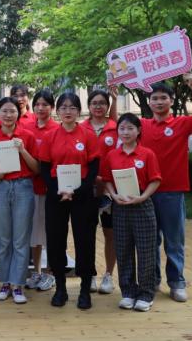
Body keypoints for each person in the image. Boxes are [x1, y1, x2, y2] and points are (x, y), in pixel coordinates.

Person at [139, 73, 192, 302]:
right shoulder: (142, 125)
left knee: (174, 241)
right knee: (150, 241)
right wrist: (112, 96)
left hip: (172, 192)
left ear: (171, 101)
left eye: (163, 98)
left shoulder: (181, 123)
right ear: (149, 102)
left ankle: (177, 282)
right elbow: (116, 126)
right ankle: (152, 281)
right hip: (146, 193)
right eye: (154, 98)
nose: (159, 102)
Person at [39, 92, 100, 310]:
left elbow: (93, 167)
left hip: (82, 195)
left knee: (85, 241)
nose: (67, 111)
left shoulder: (88, 135)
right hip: (57, 194)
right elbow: (44, 167)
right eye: (63, 107)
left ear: (79, 111)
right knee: (56, 241)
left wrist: (78, 190)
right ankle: (61, 288)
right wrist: (58, 190)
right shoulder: (50, 136)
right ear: (57, 111)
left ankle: (84, 289)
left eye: (72, 107)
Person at [101, 113, 161, 312]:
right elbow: (107, 179)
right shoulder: (112, 155)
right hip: (120, 207)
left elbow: (155, 180)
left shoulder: (147, 154)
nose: (125, 132)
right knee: (123, 250)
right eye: (122, 128)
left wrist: (143, 197)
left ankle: (146, 294)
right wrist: (113, 195)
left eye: (130, 128)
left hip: (142, 206)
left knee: (146, 251)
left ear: (138, 130)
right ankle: (128, 292)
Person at [0, 97, 39, 304]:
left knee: (20, 240)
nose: (8, 115)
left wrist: (22, 150)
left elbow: (37, 168)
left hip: (23, 187)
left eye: (12, 111)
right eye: (4, 111)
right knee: (3, 239)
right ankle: (5, 282)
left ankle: (18, 284)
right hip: (0, 188)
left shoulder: (27, 136)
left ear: (18, 113)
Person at [79, 88, 119, 294]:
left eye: (102, 103)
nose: (98, 106)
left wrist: (115, 98)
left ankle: (109, 275)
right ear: (88, 106)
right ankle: (90, 274)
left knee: (110, 233)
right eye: (94, 103)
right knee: (87, 234)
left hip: (110, 190)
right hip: (87, 189)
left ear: (107, 106)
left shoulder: (116, 128)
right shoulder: (80, 128)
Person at [20, 89, 59, 293]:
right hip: (30, 187)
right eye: (37, 104)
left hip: (51, 189)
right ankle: (36, 271)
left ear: (52, 107)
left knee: (51, 232)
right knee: (34, 233)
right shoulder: (26, 128)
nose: (41, 108)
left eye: (45, 104)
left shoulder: (57, 129)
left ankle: (50, 272)